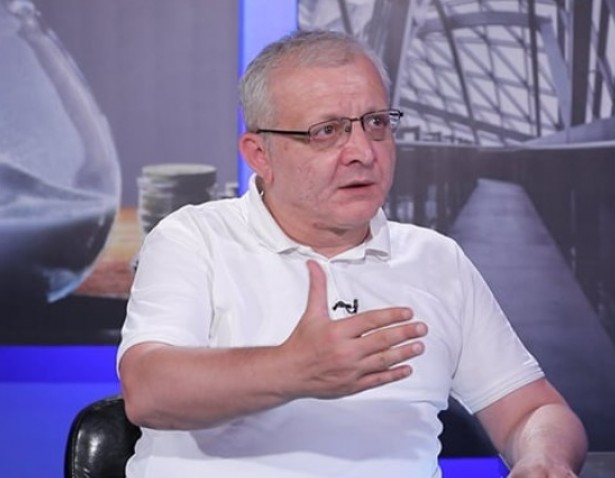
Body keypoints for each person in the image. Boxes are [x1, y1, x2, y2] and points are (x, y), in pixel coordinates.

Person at [117, 29, 587, 478]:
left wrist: (542, 457)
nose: (363, 151)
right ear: (260, 154)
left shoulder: (437, 260)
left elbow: (533, 410)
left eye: (376, 123)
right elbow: (149, 390)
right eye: (327, 131)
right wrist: (294, 368)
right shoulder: (194, 238)